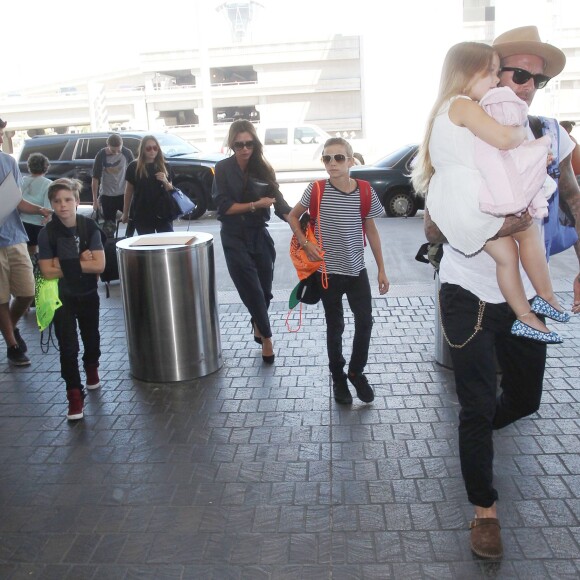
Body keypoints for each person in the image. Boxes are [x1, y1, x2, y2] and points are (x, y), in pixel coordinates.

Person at [420, 26, 580, 560]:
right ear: (492, 70)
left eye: (539, 77)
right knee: (475, 404)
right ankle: (484, 509)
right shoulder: (466, 123)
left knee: (526, 399)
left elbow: (574, 202)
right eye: (519, 73)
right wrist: (502, 225)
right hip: (468, 291)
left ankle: (477, 436)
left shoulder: (548, 132)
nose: (529, 85)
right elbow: (433, 230)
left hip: (526, 294)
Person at [414, 41, 567, 345]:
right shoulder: (461, 104)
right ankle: (545, 298)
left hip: (457, 201)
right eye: (492, 73)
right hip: (473, 201)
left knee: (508, 256)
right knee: (528, 235)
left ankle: (526, 316)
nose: (496, 81)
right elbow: (502, 139)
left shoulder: (445, 110)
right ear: (469, 72)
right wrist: (524, 134)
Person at [287, 137, 389, 404]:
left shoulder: (365, 191)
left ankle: (356, 372)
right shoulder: (316, 190)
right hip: (327, 272)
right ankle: (338, 378)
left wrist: (381, 269)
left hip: (357, 270)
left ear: (351, 161)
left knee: (365, 322)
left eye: (339, 158)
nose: (332, 163)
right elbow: (292, 215)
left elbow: (372, 231)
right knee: (336, 326)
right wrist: (306, 243)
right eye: (327, 158)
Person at [212, 119, 292, 364]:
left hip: (259, 233)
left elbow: (279, 202)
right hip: (234, 236)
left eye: (249, 144)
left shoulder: (263, 169)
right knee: (252, 289)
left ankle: (257, 320)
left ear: (255, 144)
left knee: (265, 291)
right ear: (232, 145)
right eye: (238, 144)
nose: (244, 149)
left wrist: (299, 224)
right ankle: (267, 338)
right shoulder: (223, 169)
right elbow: (223, 207)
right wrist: (255, 205)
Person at [37, 178, 105, 421]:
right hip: (61, 297)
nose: (63, 205)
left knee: (91, 337)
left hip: (87, 294)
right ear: (52, 204)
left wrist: (61, 263)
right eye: (57, 201)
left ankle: (92, 367)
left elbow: (99, 264)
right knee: (68, 346)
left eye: (67, 200)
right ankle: (74, 395)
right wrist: (80, 261)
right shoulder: (47, 234)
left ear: (77, 201)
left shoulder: (89, 227)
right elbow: (46, 271)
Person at [0, 117, 53, 366]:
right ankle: (12, 344)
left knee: (26, 292)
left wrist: (41, 210)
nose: (2, 137)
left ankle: (9, 327)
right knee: (0, 297)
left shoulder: (8, 162)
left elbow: (17, 201)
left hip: (14, 237)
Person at [121, 135, 175, 235]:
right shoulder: (134, 167)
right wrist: (125, 212)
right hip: (142, 212)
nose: (152, 151)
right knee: (147, 246)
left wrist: (165, 180)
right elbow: (128, 191)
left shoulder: (165, 165)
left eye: (155, 148)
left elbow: (171, 189)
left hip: (163, 211)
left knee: (167, 242)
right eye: (148, 148)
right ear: (143, 150)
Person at [91, 134, 134, 237]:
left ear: (122, 144)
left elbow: (134, 172)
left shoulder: (127, 153)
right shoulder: (101, 155)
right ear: (108, 145)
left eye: (118, 150)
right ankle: (110, 245)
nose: (116, 152)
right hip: (107, 196)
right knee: (109, 226)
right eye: (113, 150)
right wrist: (95, 200)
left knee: (133, 218)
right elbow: (95, 178)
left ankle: (128, 237)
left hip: (124, 194)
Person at [20, 153, 52, 257]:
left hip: (21, 222)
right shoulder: (48, 184)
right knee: (35, 251)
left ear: (29, 166)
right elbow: (48, 208)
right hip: (38, 223)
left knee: (24, 251)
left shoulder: (22, 181)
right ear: (45, 167)